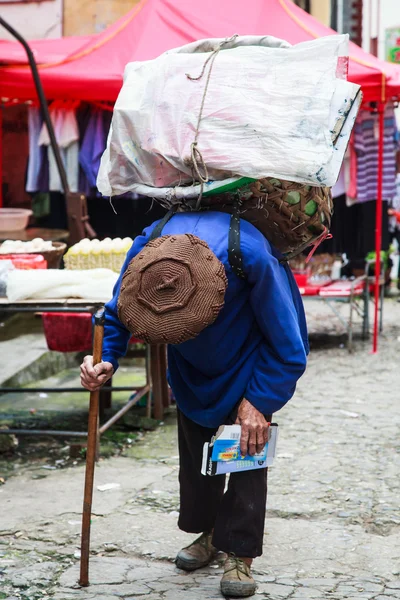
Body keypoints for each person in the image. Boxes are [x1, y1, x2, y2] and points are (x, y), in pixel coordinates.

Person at [80, 210, 308, 598]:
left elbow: (288, 343)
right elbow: (119, 310)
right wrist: (106, 358)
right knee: (197, 457)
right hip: (189, 369)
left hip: (247, 364)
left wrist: (258, 400)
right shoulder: (149, 246)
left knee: (247, 457)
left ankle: (239, 552)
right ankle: (209, 533)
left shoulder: (248, 251)